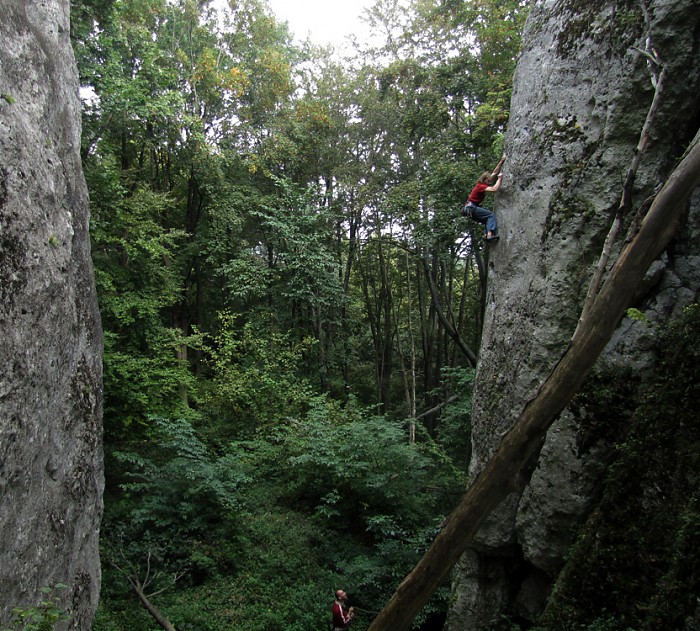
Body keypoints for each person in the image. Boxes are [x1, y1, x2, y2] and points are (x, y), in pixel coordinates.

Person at [463, 154, 507, 241]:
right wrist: (499, 179)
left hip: (469, 209)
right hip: (471, 208)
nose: (490, 182)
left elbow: (495, 172)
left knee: (487, 220)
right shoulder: (481, 186)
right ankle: (490, 235)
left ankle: (487, 235)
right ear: (484, 180)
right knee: (490, 215)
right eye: (488, 181)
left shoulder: (482, 184)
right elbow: (494, 189)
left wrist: (501, 161)